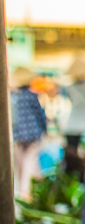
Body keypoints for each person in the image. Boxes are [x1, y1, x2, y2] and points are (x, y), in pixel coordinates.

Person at [10, 67, 48, 201]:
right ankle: (27, 193)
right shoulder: (32, 95)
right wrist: (45, 129)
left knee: (20, 165)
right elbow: (40, 115)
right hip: (32, 134)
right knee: (30, 163)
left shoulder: (12, 96)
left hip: (17, 135)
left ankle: (21, 192)